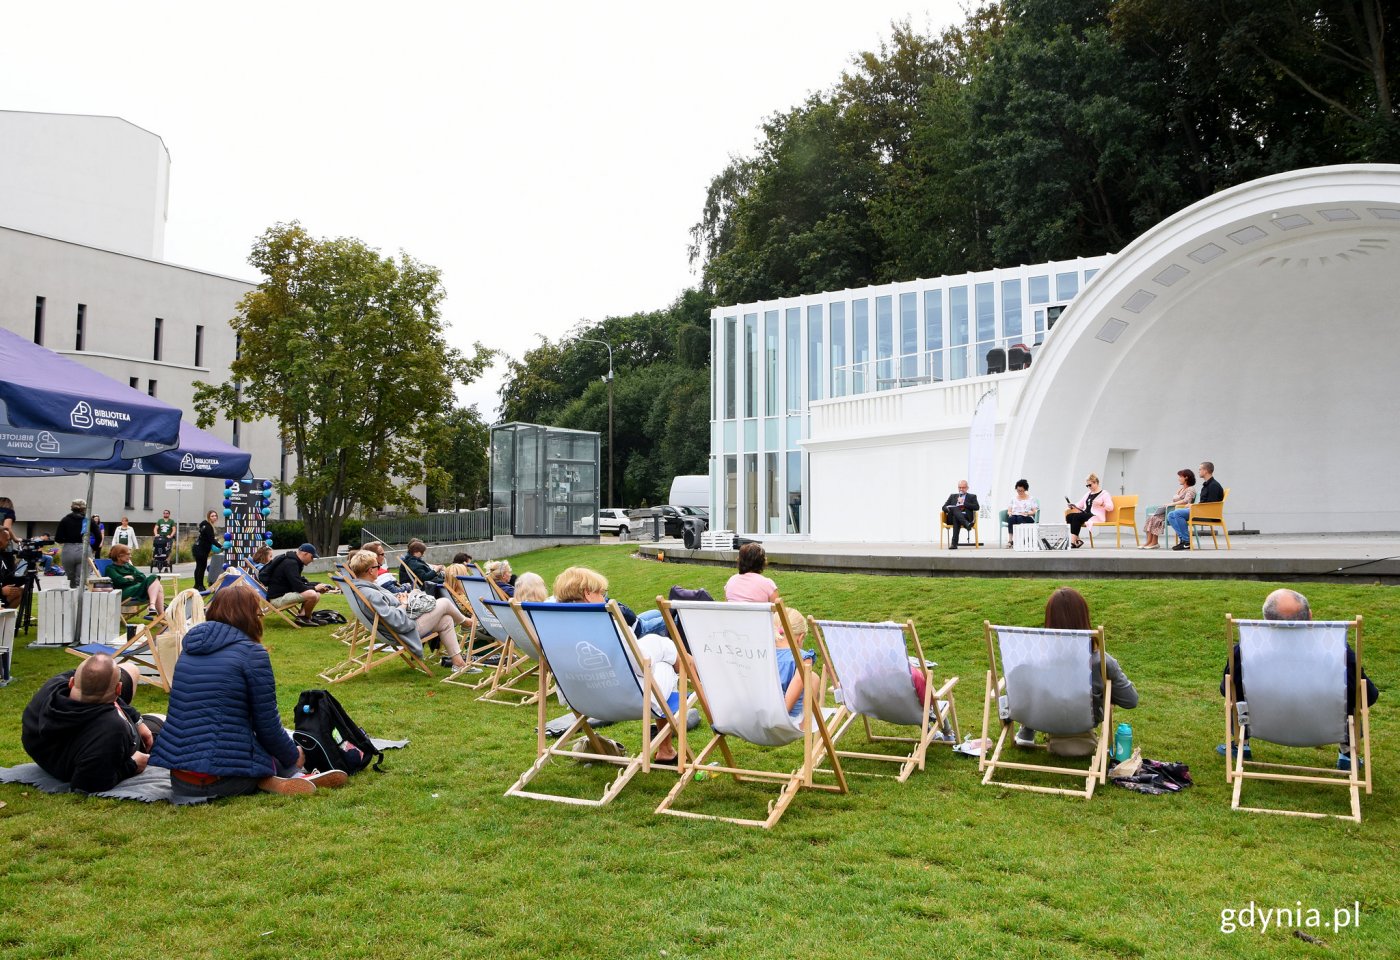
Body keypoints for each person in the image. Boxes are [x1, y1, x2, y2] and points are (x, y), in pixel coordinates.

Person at [149, 586, 348, 799]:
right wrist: (293, 756)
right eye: (259, 612)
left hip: (180, 779)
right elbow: (267, 725)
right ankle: (290, 775)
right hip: (224, 780)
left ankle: (277, 778)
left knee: (244, 736)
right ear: (250, 616)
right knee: (282, 745)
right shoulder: (252, 655)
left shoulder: (188, 652)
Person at [1217, 588, 1379, 771]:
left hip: (1264, 724)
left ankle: (1241, 743)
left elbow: (1226, 690)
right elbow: (1368, 696)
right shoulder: (1337, 653)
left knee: (1235, 688)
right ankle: (1348, 753)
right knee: (1354, 694)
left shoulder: (1247, 651)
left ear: (1267, 621)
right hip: (1323, 726)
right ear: (1309, 616)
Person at [554, 566, 679, 763]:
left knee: (660, 650)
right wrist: (665, 649)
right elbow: (640, 666)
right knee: (667, 660)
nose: (604, 598)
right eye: (601, 593)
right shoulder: (607, 621)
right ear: (587, 593)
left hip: (582, 701)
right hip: (629, 701)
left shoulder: (551, 624)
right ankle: (666, 749)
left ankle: (667, 749)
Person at [1014, 587, 1138, 756]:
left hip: (1043, 718)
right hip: (1084, 721)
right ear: (1084, 618)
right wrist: (1107, 691)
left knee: (1025, 682)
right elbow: (1130, 700)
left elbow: (1017, 694)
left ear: (1049, 619)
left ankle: (1027, 731)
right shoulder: (1101, 661)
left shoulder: (1033, 660)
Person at [20, 655, 156, 792]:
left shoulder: (53, 687)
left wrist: (137, 720)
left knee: (130, 668)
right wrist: (133, 764)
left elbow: (92, 682)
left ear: (72, 682)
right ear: (118, 689)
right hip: (83, 756)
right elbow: (89, 784)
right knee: (160, 720)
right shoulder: (111, 729)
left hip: (54, 751)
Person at [345, 550, 471, 672]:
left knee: (446, 620)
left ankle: (458, 663)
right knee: (444, 603)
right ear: (370, 570)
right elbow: (395, 620)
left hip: (400, 625)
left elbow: (387, 608)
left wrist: (401, 598)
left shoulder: (360, 588)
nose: (379, 567)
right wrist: (404, 603)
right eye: (377, 566)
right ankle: (467, 623)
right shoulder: (370, 593)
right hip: (403, 630)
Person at [258, 542, 333, 626]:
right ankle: (305, 619)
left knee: (316, 594)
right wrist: (315, 588)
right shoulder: (291, 563)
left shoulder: (293, 561)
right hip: (277, 599)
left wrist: (317, 586)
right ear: (305, 554)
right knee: (312, 594)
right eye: (312, 557)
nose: (312, 560)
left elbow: (299, 582)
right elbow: (299, 587)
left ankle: (304, 617)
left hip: (284, 594)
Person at [774, 604, 816, 720]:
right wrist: (780, 717)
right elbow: (798, 681)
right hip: (785, 718)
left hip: (757, 714)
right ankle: (807, 720)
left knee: (814, 677)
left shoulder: (763, 654)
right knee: (812, 677)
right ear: (800, 637)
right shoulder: (802, 657)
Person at [1169, 461, 1222, 551]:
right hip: (1201, 510)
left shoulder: (1213, 485)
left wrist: (1193, 506)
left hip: (1207, 514)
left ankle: (1186, 541)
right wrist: (1193, 505)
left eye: (1200, 469)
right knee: (1171, 515)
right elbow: (1205, 503)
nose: (1199, 471)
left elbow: (1210, 504)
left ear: (1205, 471)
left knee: (1177, 513)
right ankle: (1184, 541)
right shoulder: (1207, 485)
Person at [105, 543, 166, 618]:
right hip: (123, 593)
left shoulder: (128, 566)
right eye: (128, 554)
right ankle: (159, 613)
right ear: (119, 556)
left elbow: (142, 576)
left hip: (136, 589)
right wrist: (133, 579)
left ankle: (156, 611)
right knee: (155, 580)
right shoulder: (110, 569)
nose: (130, 556)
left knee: (157, 584)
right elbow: (120, 582)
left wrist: (131, 577)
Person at [1143, 469, 1195, 549]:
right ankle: (1149, 542)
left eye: (1180, 477)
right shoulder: (1180, 489)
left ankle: (1154, 542)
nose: (1179, 478)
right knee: (1151, 517)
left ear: (1186, 478)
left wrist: (1171, 504)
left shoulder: (1190, 489)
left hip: (1177, 512)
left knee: (1156, 518)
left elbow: (1186, 501)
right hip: (1172, 510)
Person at [1065, 473, 1113, 548]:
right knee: (1069, 516)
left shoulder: (1104, 494)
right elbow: (1079, 504)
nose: (1089, 487)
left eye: (1090, 485)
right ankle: (1077, 540)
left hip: (1095, 516)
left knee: (1077, 516)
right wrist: (1073, 505)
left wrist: (1101, 504)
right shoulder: (1088, 494)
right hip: (1086, 514)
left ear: (1096, 482)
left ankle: (1073, 542)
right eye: (1087, 486)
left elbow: (1110, 507)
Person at [54, 498, 88, 589]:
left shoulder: (65, 520)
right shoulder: (86, 520)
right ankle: (81, 596)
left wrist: (67, 539)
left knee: (70, 578)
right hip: (83, 548)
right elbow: (98, 535)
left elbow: (58, 538)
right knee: (81, 578)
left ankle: (72, 592)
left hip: (68, 549)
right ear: (84, 509)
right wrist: (95, 547)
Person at [942, 480, 979, 549]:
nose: (961, 489)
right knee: (955, 509)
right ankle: (967, 524)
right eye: (960, 487)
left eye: (963, 487)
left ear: (967, 488)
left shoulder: (972, 496)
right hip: (952, 518)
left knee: (956, 517)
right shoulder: (952, 496)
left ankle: (954, 544)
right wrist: (949, 509)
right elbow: (943, 507)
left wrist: (964, 503)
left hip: (965, 516)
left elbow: (977, 507)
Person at [1005, 479, 1039, 547]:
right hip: (1015, 516)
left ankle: (1022, 540)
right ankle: (1010, 541)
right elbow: (1009, 510)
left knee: (1020, 518)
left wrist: (1028, 513)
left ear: (1025, 490)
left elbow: (1035, 511)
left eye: (1021, 491)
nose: (1019, 492)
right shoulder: (1013, 499)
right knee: (1011, 518)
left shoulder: (1031, 499)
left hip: (1027, 517)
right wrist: (1010, 513)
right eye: (1018, 490)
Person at [192, 509, 220, 591]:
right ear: (209, 517)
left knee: (198, 566)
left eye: (215, 516)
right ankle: (200, 586)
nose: (214, 517)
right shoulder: (208, 526)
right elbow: (212, 540)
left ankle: (197, 585)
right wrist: (221, 546)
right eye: (212, 516)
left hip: (198, 547)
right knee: (201, 567)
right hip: (201, 549)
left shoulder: (204, 525)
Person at [0, 527, 23, 609]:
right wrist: (1, 591)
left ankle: (6, 619)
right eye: (7, 540)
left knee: (20, 591)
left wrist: (24, 578)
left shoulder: (2, 556)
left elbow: (6, 578)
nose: (9, 543)